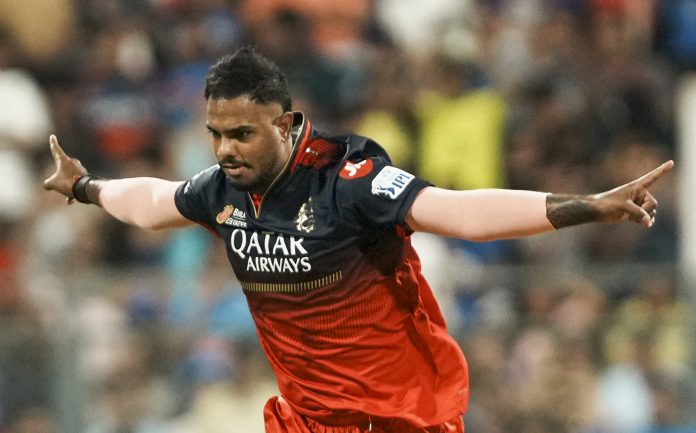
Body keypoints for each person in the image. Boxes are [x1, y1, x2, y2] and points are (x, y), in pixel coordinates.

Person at [43, 46, 674, 433]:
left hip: (399, 419)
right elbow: (152, 204)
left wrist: (589, 206)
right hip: (308, 422)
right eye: (216, 133)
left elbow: (460, 212)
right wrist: (86, 186)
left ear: (286, 124)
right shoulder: (222, 191)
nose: (225, 150)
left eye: (242, 134)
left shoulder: (350, 180)